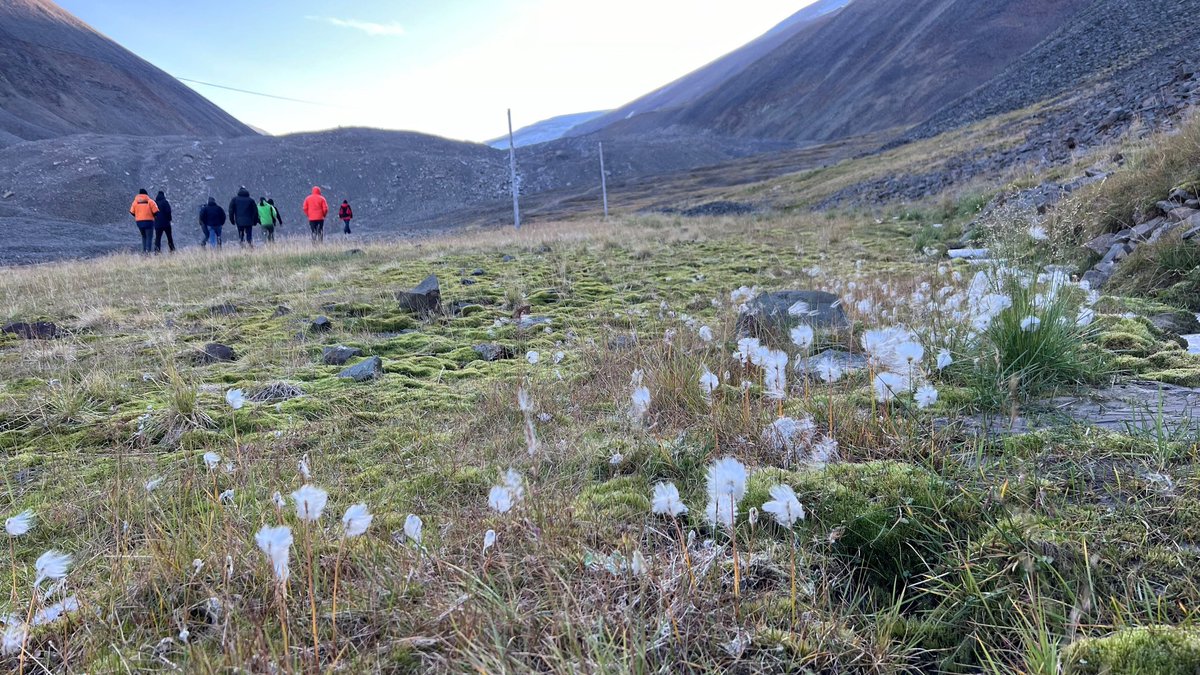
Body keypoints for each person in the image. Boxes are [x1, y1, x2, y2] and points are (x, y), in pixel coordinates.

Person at [129, 188, 159, 254]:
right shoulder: (150, 201)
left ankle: (144, 251)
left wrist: (137, 216)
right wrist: (153, 216)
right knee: (149, 237)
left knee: (143, 236)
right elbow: (156, 211)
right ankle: (148, 252)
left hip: (139, 222)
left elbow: (131, 212)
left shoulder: (135, 202)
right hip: (149, 222)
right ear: (146, 194)